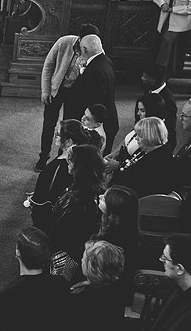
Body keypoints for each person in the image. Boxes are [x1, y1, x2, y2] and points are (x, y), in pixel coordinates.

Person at [37, 24, 100, 171]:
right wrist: (45, 90)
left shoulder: (93, 50)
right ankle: (43, 156)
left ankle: (62, 158)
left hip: (75, 93)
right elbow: (48, 65)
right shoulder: (64, 42)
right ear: (79, 39)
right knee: (49, 124)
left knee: (70, 127)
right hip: (56, 89)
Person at [28, 119, 100, 230]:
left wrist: (35, 200)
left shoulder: (60, 167)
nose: (55, 136)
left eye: (58, 134)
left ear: (69, 142)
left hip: (51, 219)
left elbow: (49, 196)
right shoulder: (82, 157)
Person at [47, 144, 104, 272]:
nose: (69, 164)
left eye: (71, 162)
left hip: (66, 255)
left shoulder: (79, 202)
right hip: (72, 253)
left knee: (58, 284)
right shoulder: (92, 189)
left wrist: (49, 252)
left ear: (80, 167)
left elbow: (62, 235)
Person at [66, 34, 119, 153]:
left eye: (81, 49)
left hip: (97, 124)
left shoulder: (95, 71)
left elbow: (95, 102)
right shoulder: (105, 60)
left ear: (84, 49)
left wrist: (85, 125)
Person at [110, 117, 176, 198]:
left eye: (139, 136)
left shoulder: (159, 161)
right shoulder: (145, 149)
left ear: (150, 137)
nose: (136, 138)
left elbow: (137, 186)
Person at [92, 185, 141, 287]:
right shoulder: (129, 230)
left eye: (104, 198)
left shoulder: (114, 240)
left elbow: (104, 277)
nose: (100, 196)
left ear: (113, 210)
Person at [141, 64, 178, 149]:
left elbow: (169, 127)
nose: (142, 78)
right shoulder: (149, 89)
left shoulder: (168, 101)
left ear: (152, 81)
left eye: (144, 76)